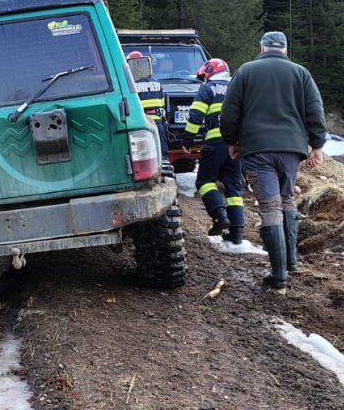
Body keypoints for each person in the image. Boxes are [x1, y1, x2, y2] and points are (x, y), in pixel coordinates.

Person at [219, 31, 326, 292]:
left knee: (270, 206)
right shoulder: (301, 73)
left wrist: (231, 141)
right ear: (286, 50)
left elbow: (229, 111)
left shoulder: (245, 71)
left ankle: (278, 275)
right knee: (287, 199)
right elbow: (315, 110)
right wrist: (317, 145)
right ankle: (291, 262)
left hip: (257, 148)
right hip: (292, 149)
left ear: (262, 48)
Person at [180, 58, 245, 243]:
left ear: (209, 71)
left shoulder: (207, 88)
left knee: (204, 181)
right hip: (238, 145)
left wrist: (188, 139)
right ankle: (237, 234)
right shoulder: (238, 87)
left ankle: (219, 217)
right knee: (234, 187)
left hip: (215, 142)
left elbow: (196, 115)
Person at [126, 50, 170, 160]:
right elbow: (162, 103)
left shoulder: (133, 85)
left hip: (142, 120)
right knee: (162, 147)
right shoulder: (157, 83)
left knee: (144, 152)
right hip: (158, 120)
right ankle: (165, 166)